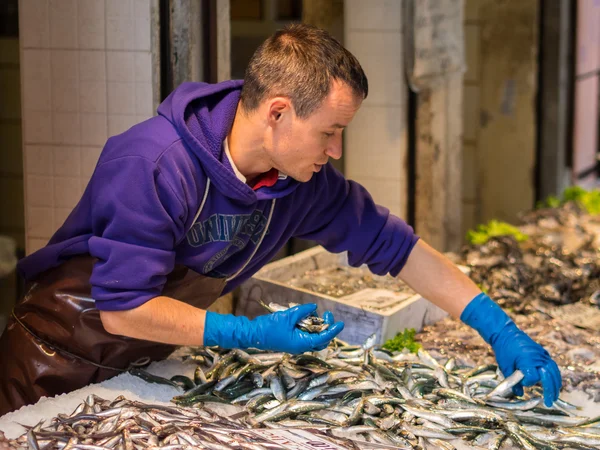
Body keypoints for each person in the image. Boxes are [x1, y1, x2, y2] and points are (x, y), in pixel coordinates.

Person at [0, 24, 560, 415]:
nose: (336, 150)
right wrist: (243, 331)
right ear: (278, 113)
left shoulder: (302, 184)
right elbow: (123, 310)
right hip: (52, 362)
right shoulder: (152, 164)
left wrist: (498, 327)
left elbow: (402, 249)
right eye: (330, 132)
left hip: (144, 367)